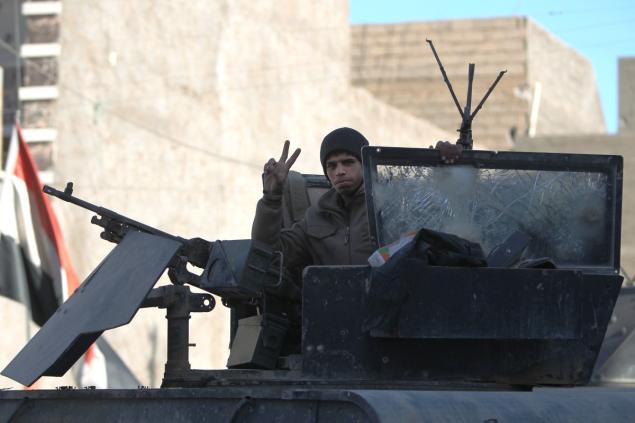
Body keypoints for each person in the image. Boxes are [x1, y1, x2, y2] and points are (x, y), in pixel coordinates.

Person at [251, 127, 462, 269]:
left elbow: (443, 228)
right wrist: (271, 197)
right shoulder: (315, 217)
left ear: (365, 164)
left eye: (348, 162)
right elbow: (269, 253)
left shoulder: (395, 204)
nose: (339, 171)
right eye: (331, 166)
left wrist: (442, 169)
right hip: (335, 315)